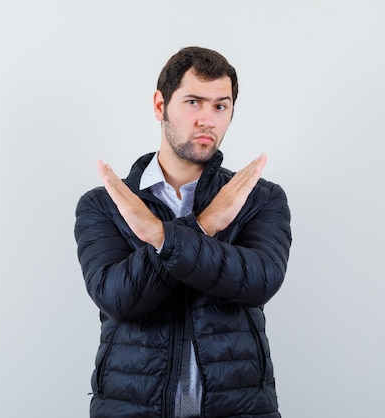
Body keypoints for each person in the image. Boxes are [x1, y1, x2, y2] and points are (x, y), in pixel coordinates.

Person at [74, 46, 292, 418]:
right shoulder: (105, 204)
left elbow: (260, 282)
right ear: (160, 105)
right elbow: (117, 298)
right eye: (194, 102)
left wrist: (161, 237)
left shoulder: (258, 198)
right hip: (130, 409)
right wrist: (205, 225)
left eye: (220, 106)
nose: (207, 119)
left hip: (238, 408)